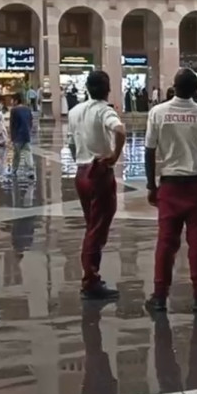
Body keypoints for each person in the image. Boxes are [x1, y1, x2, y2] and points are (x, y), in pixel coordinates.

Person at [144, 69, 197, 313]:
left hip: (170, 186)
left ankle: (159, 297)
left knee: (166, 243)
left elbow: (149, 151)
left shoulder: (157, 113)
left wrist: (151, 185)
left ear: (174, 86)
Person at [67, 71, 126, 300]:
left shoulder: (74, 112)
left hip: (81, 171)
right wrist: (114, 155)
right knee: (97, 228)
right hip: (99, 171)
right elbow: (120, 130)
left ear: (87, 88)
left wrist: (80, 160)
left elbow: (71, 143)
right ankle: (90, 280)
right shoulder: (104, 110)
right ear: (107, 88)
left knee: (92, 224)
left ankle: (91, 275)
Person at [8, 92, 34, 177]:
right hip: (26, 135)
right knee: (28, 153)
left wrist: (11, 137)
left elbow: (12, 124)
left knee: (16, 155)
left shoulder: (14, 110)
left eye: (12, 100)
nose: (11, 102)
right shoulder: (27, 109)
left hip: (17, 136)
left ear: (16, 100)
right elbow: (31, 122)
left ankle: (14, 170)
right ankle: (31, 170)